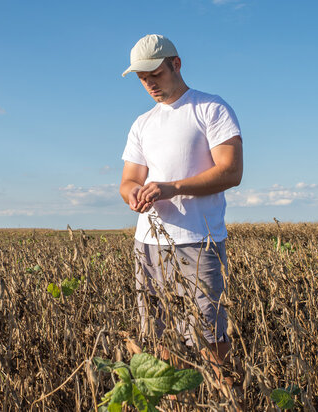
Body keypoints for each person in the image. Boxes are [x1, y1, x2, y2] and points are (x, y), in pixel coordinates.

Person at [119, 34, 243, 375]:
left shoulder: (211, 109)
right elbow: (129, 179)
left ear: (176, 64)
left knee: (212, 341)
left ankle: (224, 401)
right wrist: (133, 193)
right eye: (143, 79)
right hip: (147, 246)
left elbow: (231, 171)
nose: (149, 84)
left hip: (198, 244)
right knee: (161, 345)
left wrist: (170, 188)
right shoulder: (142, 123)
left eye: (155, 75)